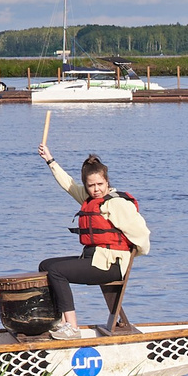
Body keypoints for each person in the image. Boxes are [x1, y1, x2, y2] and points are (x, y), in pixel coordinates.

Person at [36, 122, 150, 340]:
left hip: (111, 265)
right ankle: (58, 320)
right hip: (94, 260)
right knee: (46, 265)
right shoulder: (89, 199)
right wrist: (50, 160)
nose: (96, 189)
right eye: (91, 186)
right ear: (86, 186)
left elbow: (143, 236)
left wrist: (131, 257)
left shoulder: (116, 204)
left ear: (107, 182)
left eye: (100, 184)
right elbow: (68, 184)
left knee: (57, 272)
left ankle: (73, 327)